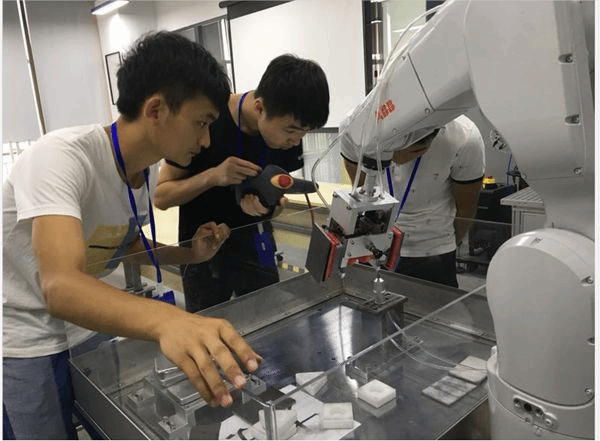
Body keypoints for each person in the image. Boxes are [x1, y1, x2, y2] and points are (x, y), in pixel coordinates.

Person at [2, 31, 263, 440]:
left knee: (101, 424)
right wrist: (170, 321)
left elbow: (114, 246)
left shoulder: (140, 175)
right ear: (156, 109)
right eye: (201, 123)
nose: (206, 140)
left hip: (85, 326)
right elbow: (60, 285)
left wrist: (189, 254)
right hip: (28, 340)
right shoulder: (60, 157)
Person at [153, 54, 330, 312]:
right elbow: (161, 196)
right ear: (259, 108)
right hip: (204, 249)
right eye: (291, 131)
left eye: (304, 133)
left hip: (257, 242)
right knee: (208, 329)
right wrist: (213, 176)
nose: (294, 141)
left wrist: (268, 207)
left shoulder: (289, 135)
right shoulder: (208, 121)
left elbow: (279, 201)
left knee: (270, 319)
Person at [341, 114, 485, 288]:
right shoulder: (354, 128)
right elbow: (362, 193)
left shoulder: (465, 137)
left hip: (433, 249)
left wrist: (447, 244)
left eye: (416, 150)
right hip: (373, 243)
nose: (399, 159)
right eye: (393, 148)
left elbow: (466, 208)